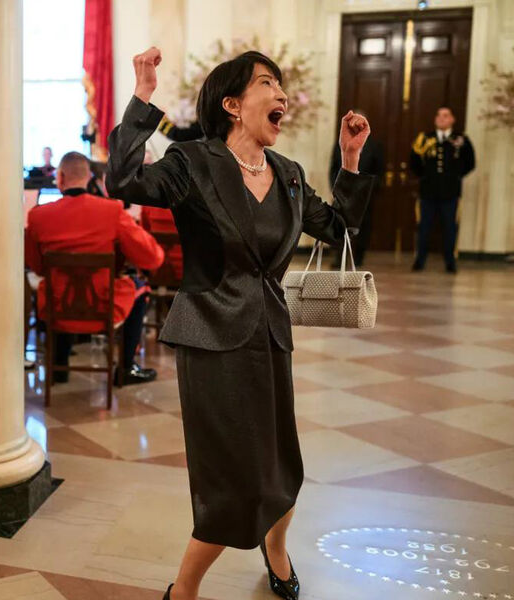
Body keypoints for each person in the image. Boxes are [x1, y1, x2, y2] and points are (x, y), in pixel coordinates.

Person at [106, 47, 374, 600]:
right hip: (210, 335)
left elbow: (341, 227)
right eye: (268, 83)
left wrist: (349, 159)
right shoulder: (190, 162)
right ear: (232, 104)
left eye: (281, 85)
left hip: (270, 334)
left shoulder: (289, 175)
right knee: (229, 476)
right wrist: (143, 95)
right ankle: (184, 588)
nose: (282, 95)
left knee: (280, 463)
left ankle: (277, 551)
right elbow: (123, 181)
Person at [25, 151, 164, 385]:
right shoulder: (112, 211)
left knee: (57, 285)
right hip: (102, 307)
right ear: (89, 178)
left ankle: (59, 368)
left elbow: (37, 268)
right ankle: (126, 368)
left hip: (55, 307)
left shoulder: (38, 216)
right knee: (140, 288)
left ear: (60, 177)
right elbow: (152, 258)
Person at [409, 106, 475, 273]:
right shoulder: (425, 138)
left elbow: (470, 163)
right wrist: (425, 176)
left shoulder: (461, 139)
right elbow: (414, 162)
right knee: (424, 227)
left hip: (450, 193)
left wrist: (455, 176)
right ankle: (419, 260)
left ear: (452, 119)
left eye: (445, 115)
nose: (441, 118)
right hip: (428, 192)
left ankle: (450, 262)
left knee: (450, 228)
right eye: (438, 115)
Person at [329, 118, 384, 267]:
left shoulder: (375, 146)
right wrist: (336, 188)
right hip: (343, 192)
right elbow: (333, 167)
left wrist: (370, 189)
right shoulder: (340, 143)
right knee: (339, 223)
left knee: (364, 226)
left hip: (365, 194)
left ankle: (359, 257)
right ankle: (339, 257)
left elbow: (379, 171)